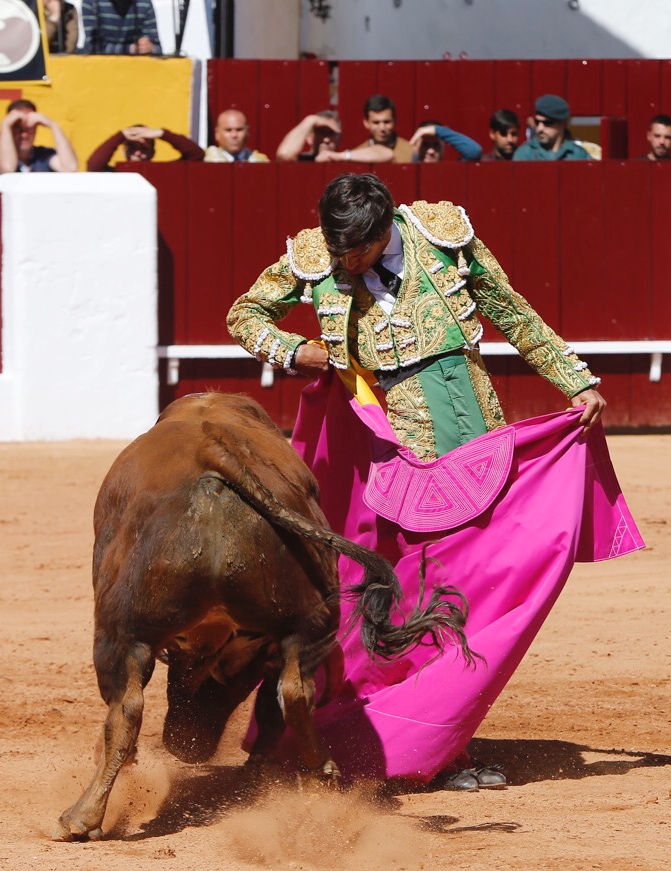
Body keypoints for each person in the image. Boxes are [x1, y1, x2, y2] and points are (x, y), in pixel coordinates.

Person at [225, 174, 639, 792]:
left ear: (385, 226)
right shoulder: (317, 256)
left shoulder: (442, 237)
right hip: (392, 448)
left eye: (355, 251)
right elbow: (245, 314)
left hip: (476, 435)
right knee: (421, 588)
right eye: (337, 250)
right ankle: (431, 742)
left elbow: (510, 309)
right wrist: (292, 350)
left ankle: (443, 732)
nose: (344, 263)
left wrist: (572, 378)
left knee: (480, 580)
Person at [0, 99, 78, 174]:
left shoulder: (43, 155)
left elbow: (70, 168)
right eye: (18, 128)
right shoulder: (3, 158)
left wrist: (53, 125)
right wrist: (5, 125)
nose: (24, 134)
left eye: (29, 128)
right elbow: (7, 170)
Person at [86, 125, 204, 171]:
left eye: (143, 148)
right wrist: (120, 136)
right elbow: (94, 166)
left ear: (152, 152)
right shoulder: (117, 174)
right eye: (132, 147)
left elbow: (196, 155)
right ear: (124, 151)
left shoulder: (162, 172)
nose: (137, 152)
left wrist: (163, 134)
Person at [513, 95, 590, 161]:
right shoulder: (525, 154)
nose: (540, 128)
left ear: (563, 123)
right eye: (537, 122)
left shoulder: (578, 155)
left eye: (547, 123)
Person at [81, 0, 161, 55]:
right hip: (99, 70)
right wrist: (130, 49)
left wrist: (149, 48)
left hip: (134, 70)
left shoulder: (145, 3)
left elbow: (158, 49)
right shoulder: (91, 2)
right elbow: (92, 48)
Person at [356, 94, 414, 163]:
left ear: (394, 120)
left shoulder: (411, 152)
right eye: (376, 122)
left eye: (386, 122)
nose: (382, 128)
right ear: (366, 123)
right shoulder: (357, 155)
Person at [204, 109, 269, 163]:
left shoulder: (261, 162)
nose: (234, 135)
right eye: (228, 130)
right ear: (217, 134)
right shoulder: (205, 160)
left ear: (247, 132)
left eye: (239, 130)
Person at [409, 119, 482, 162]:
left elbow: (474, 151)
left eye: (436, 145)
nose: (431, 151)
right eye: (425, 145)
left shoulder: (452, 173)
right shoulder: (408, 170)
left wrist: (436, 130)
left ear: (442, 147)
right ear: (416, 145)